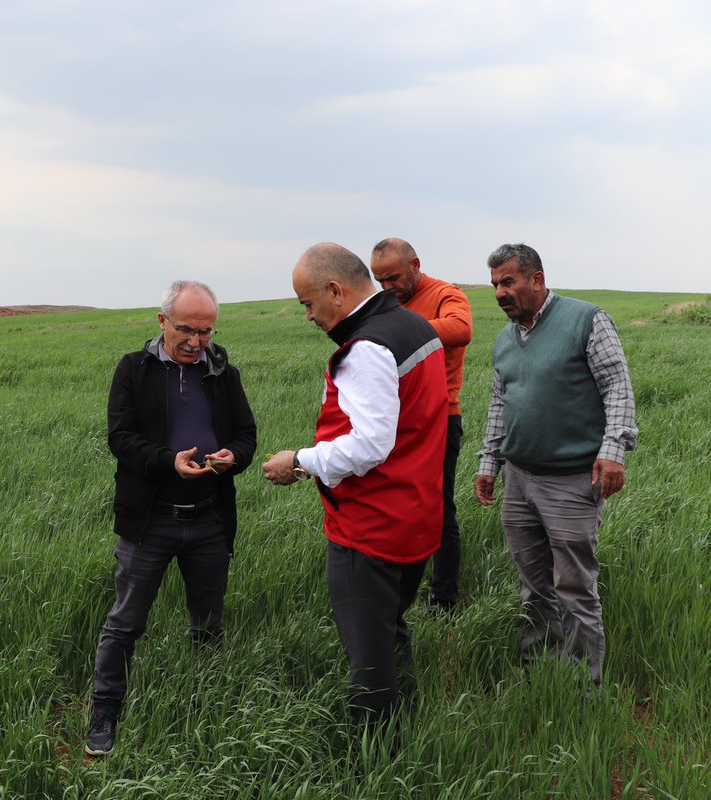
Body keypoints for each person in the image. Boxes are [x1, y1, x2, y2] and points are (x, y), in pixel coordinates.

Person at [262, 243, 447, 729]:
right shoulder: (415, 326)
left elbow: (369, 445)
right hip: (417, 515)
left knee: (368, 657)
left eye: (307, 303)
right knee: (390, 628)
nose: (308, 315)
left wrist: (299, 461)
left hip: (370, 528)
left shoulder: (366, 348)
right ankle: (407, 712)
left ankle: (378, 753)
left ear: (335, 291)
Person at [86, 280, 257, 757]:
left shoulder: (224, 372)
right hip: (150, 523)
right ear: (162, 321)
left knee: (208, 622)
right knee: (125, 623)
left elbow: (246, 434)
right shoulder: (134, 369)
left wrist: (233, 458)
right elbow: (119, 437)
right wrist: (168, 461)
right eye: (185, 329)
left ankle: (204, 705)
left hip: (209, 521)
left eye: (205, 331)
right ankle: (105, 710)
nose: (196, 341)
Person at [475, 243, 637, 688]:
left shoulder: (585, 319)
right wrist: (489, 459)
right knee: (533, 586)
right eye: (494, 285)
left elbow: (617, 385)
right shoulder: (506, 338)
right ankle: (539, 672)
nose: (500, 293)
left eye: (508, 282)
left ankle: (583, 687)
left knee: (574, 588)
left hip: (571, 481)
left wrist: (613, 449)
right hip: (519, 480)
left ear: (537, 279)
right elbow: (499, 402)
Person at [370, 238, 473, 613]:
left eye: (394, 278)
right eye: (380, 280)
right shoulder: (387, 302)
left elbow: (460, 329)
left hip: (440, 418)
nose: (387, 288)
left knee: (439, 509)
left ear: (415, 265)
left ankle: (443, 600)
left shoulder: (446, 294)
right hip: (394, 420)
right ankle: (396, 587)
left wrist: (402, 330)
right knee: (397, 505)